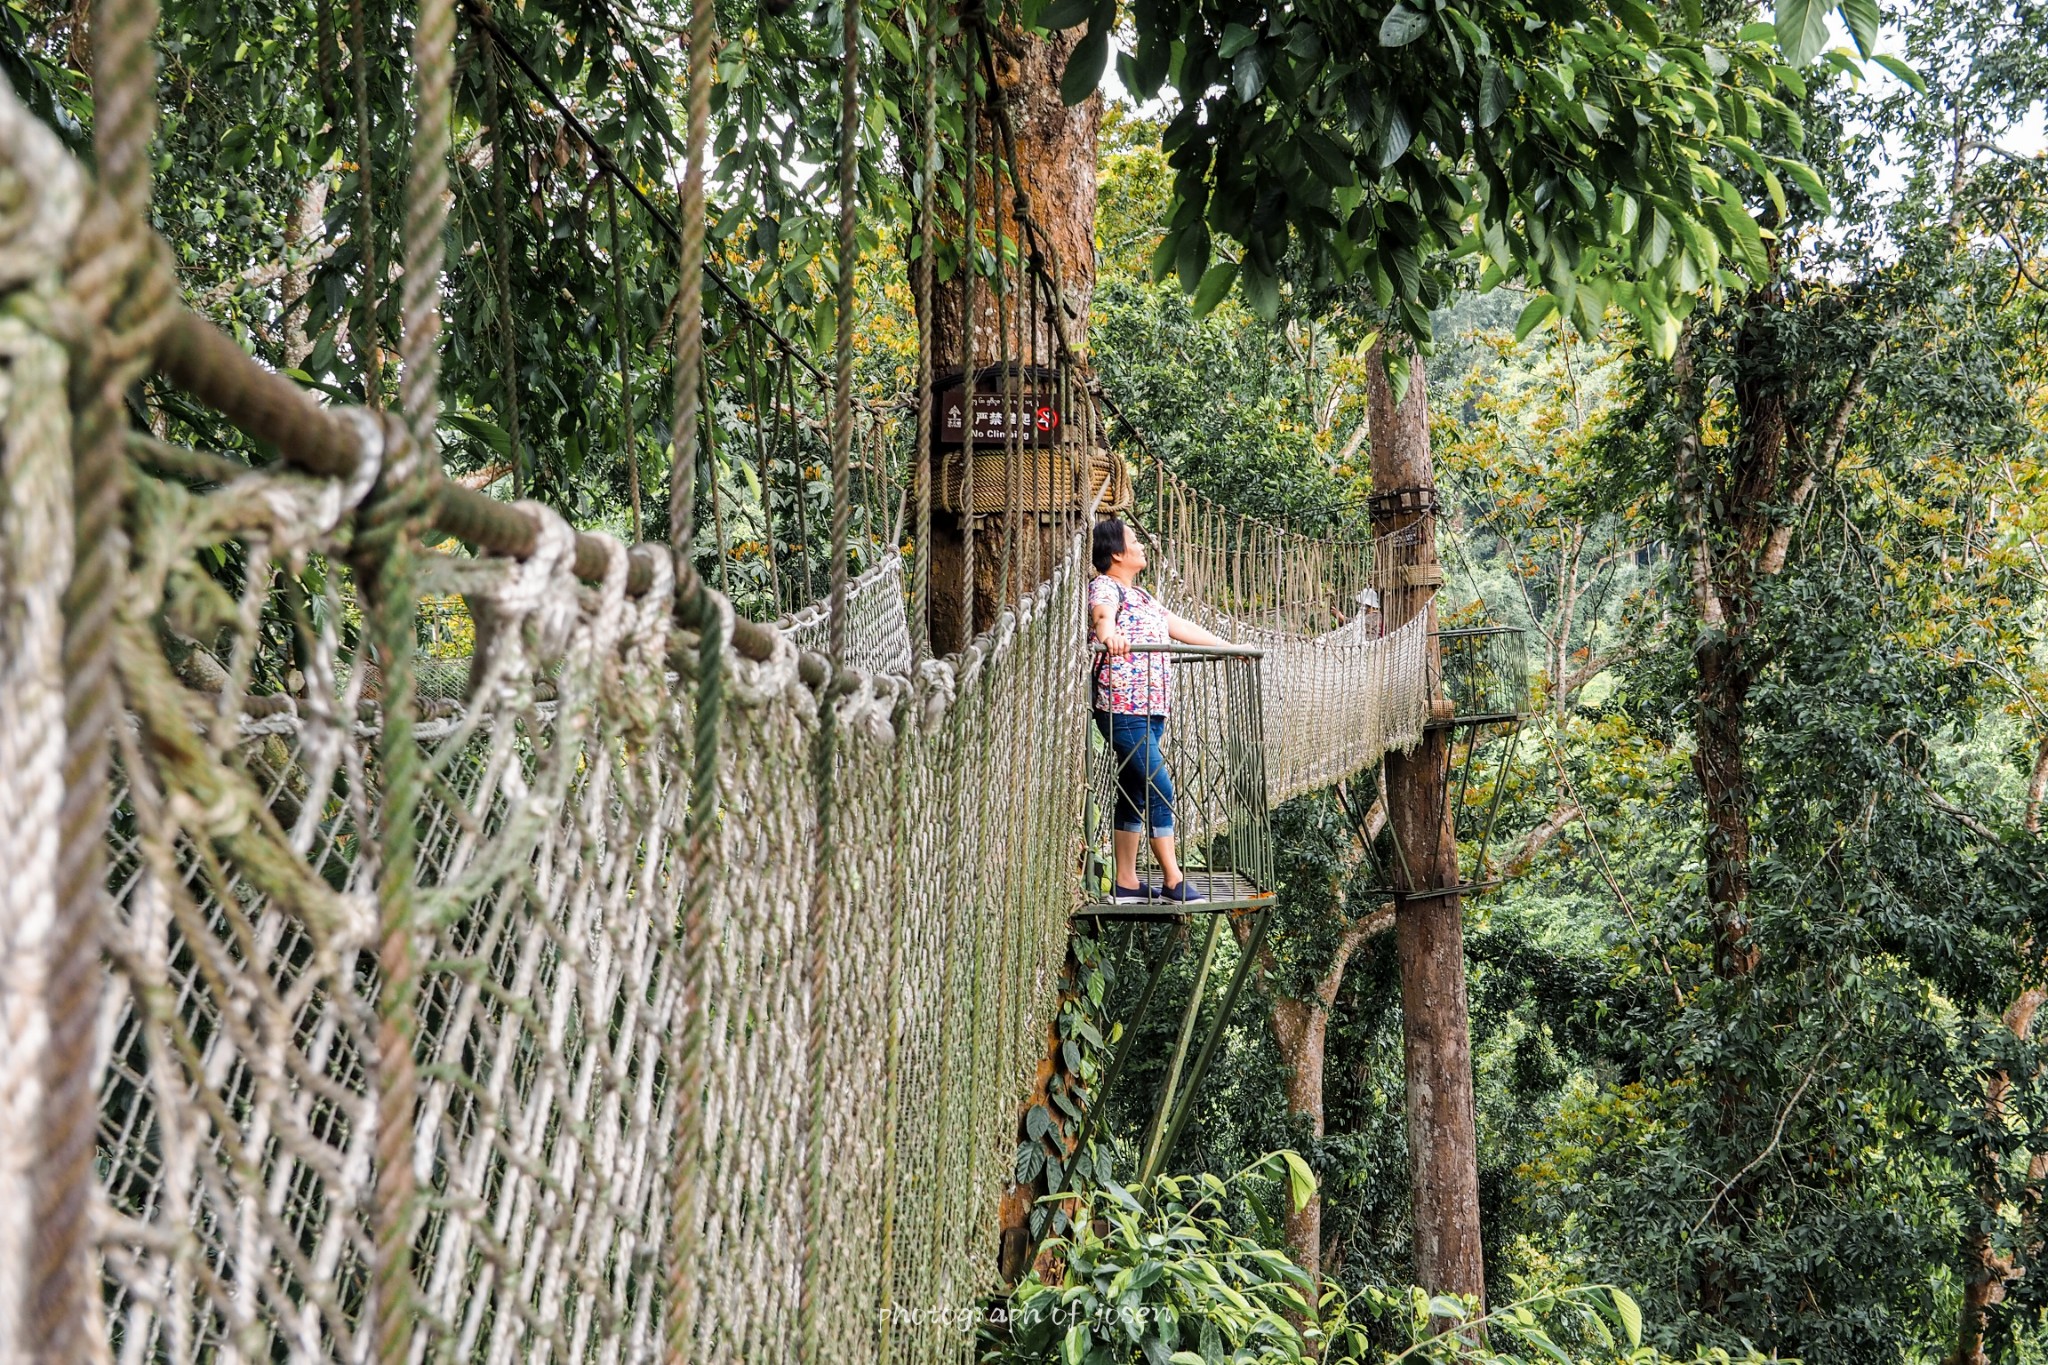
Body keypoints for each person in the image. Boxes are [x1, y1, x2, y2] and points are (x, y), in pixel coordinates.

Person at [1088, 516, 1228, 903]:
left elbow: (1179, 626)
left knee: (1135, 791)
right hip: (1121, 708)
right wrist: (1109, 635)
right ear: (1117, 553)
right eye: (1135, 541)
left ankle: (1127, 882)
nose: (1142, 546)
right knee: (1159, 790)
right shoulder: (1105, 587)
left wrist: (1228, 647)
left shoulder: (1144, 597)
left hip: (1151, 711)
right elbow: (1102, 615)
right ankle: (1172, 880)